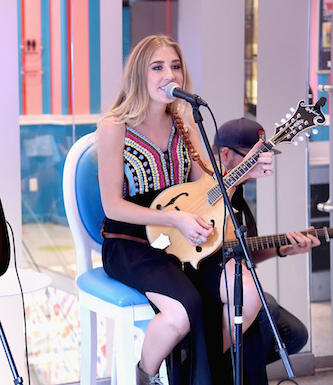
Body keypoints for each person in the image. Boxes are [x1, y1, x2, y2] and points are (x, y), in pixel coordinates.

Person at [96, 35, 274, 385]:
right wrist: (172, 217)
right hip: (131, 243)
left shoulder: (184, 121)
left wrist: (247, 171)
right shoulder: (113, 127)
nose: (169, 74)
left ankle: (199, 371)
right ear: (138, 75)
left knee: (248, 296)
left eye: (175, 66)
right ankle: (146, 376)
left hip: (186, 239)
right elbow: (112, 206)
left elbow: (208, 187)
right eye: (158, 67)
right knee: (180, 314)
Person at [212, 117, 318, 364]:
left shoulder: (238, 195)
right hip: (208, 283)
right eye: (252, 160)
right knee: (264, 307)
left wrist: (284, 249)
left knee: (294, 334)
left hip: (232, 281)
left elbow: (244, 250)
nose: (258, 167)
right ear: (225, 154)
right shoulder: (206, 191)